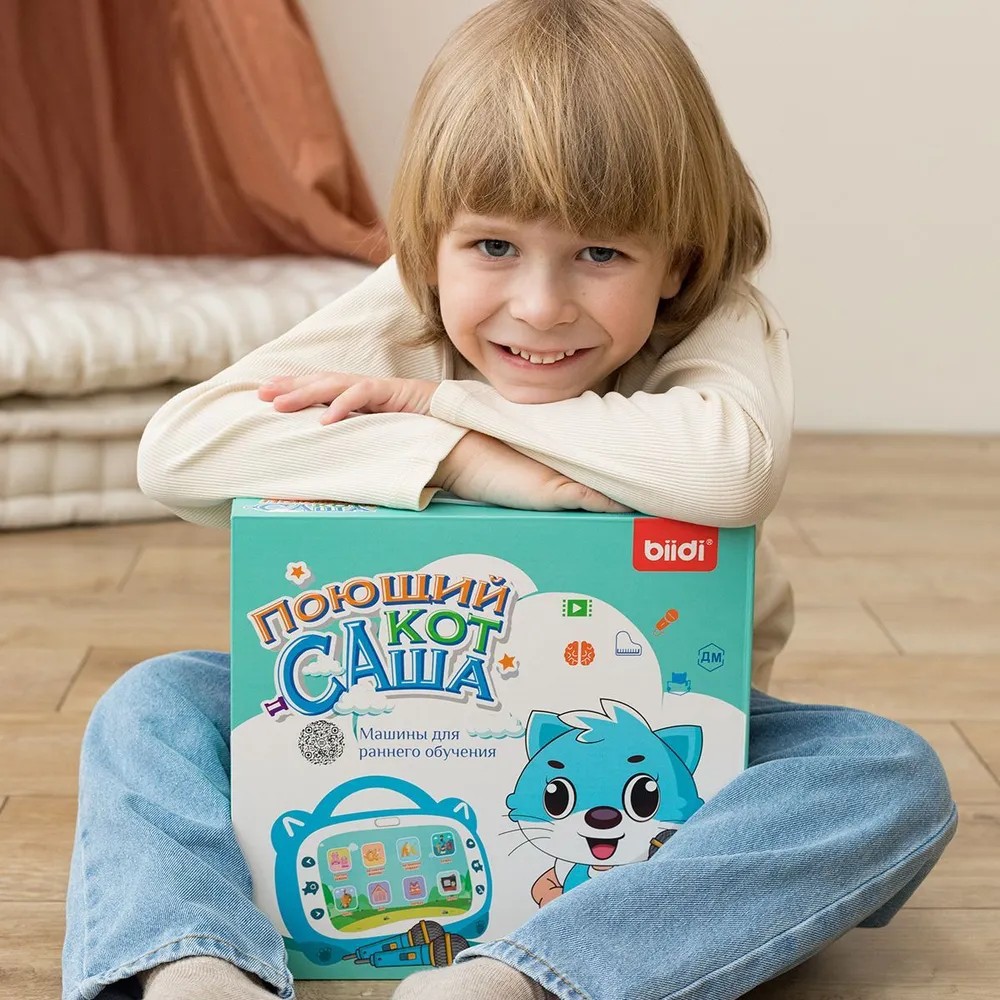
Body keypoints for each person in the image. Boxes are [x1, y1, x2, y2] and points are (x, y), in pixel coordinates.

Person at [62, 1, 957, 999]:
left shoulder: (720, 319)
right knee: (151, 707)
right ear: (427, 244)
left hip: (656, 747)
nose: (538, 307)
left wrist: (448, 401)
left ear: (678, 261)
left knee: (884, 772)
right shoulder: (410, 304)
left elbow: (727, 473)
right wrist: (457, 459)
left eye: (601, 254)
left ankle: (529, 976)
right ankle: (194, 960)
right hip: (381, 718)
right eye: (493, 247)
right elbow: (179, 452)